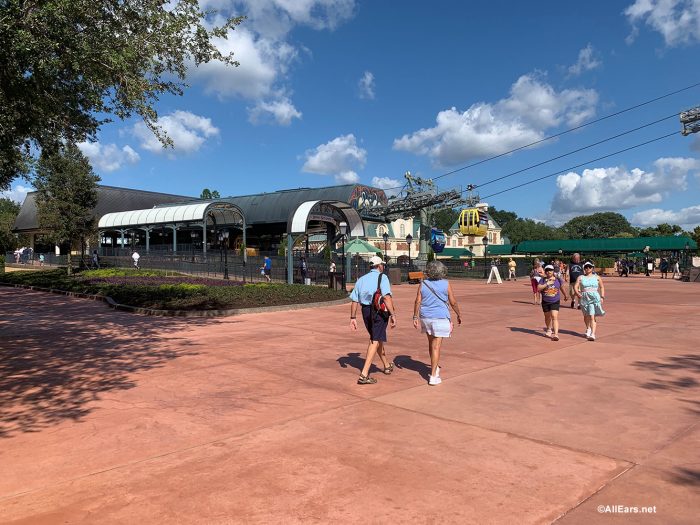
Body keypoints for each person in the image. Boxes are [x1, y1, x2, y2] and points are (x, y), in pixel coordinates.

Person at [412, 261, 462, 385]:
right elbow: (453, 302)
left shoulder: (423, 283)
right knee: (436, 346)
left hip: (426, 317)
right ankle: (433, 375)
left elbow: (417, 301)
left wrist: (414, 316)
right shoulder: (445, 284)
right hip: (440, 317)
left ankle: (435, 366)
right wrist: (458, 314)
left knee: (431, 343)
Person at [349, 255, 397, 385]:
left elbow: (354, 300)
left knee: (377, 337)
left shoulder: (361, 280)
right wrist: (393, 314)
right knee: (374, 340)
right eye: (382, 265)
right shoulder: (383, 277)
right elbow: (387, 297)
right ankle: (364, 374)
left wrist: (353, 317)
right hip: (378, 311)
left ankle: (386, 365)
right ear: (379, 265)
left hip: (365, 311)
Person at [574, 261, 605, 341]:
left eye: (589, 267)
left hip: (594, 298)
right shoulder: (580, 277)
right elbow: (576, 286)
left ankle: (593, 334)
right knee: (586, 315)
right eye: (586, 267)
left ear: (592, 268)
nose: (588, 268)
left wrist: (602, 297)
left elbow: (602, 287)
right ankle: (588, 328)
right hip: (584, 297)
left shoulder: (597, 277)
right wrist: (577, 293)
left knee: (592, 315)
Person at [537, 264, 569, 341]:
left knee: (554, 316)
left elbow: (562, 287)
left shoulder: (558, 279)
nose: (548, 272)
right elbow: (538, 288)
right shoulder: (543, 280)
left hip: (555, 301)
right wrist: (546, 284)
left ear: (553, 271)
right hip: (545, 301)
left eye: (550, 270)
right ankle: (549, 329)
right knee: (547, 317)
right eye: (547, 270)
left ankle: (556, 334)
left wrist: (565, 295)